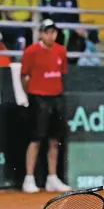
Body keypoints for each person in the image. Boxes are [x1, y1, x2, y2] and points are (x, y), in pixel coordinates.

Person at [20, 19, 71, 193]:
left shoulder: (61, 51)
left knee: (54, 140)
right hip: (38, 98)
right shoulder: (31, 51)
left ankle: (52, 178)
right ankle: (29, 178)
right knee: (35, 139)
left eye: (53, 32)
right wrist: (30, 95)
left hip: (57, 97)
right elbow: (24, 76)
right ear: (41, 33)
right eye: (47, 32)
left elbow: (61, 73)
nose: (51, 35)